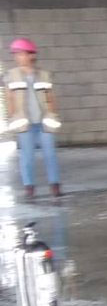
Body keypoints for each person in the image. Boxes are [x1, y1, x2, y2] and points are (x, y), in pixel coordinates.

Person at [4, 38, 62, 198]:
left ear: (31, 55)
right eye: (16, 54)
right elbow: (9, 98)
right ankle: (29, 187)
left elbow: (50, 97)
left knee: (50, 154)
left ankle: (55, 185)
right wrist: (12, 116)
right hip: (25, 124)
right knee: (27, 157)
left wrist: (52, 114)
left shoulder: (44, 75)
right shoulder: (11, 76)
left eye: (21, 54)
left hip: (44, 122)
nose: (17, 57)